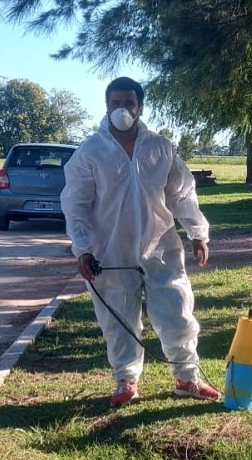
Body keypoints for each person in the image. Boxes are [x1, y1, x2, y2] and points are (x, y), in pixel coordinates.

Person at [61, 76, 220, 407]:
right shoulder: (90, 152)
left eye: (128, 103)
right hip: (110, 252)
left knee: (177, 311)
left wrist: (197, 232)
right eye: (115, 103)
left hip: (161, 248)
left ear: (140, 107)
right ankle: (126, 381)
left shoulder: (160, 148)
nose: (122, 109)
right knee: (119, 319)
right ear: (106, 106)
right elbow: (75, 204)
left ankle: (187, 378)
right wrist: (83, 249)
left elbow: (182, 194)